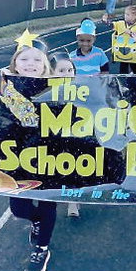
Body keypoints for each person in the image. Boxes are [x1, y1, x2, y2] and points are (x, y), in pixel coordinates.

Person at [0, 30, 56, 271]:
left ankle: (42, 248)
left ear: (45, 65)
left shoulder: (60, 89)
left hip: (54, 161)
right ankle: (36, 220)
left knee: (48, 206)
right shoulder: (7, 94)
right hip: (18, 162)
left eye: (37, 60)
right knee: (19, 209)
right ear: (14, 63)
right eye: (24, 59)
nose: (31, 64)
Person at [48, 51, 81, 218]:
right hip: (53, 138)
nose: (67, 74)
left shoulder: (83, 90)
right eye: (61, 71)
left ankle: (73, 202)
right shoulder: (45, 92)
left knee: (74, 168)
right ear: (52, 72)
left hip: (75, 137)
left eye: (70, 70)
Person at [110, 5, 136, 74]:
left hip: (132, 51)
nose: (125, 16)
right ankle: (123, 80)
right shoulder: (120, 23)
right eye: (125, 14)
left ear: (134, 16)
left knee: (134, 67)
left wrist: (131, 33)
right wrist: (106, 21)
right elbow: (112, 25)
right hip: (122, 49)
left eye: (128, 14)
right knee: (123, 66)